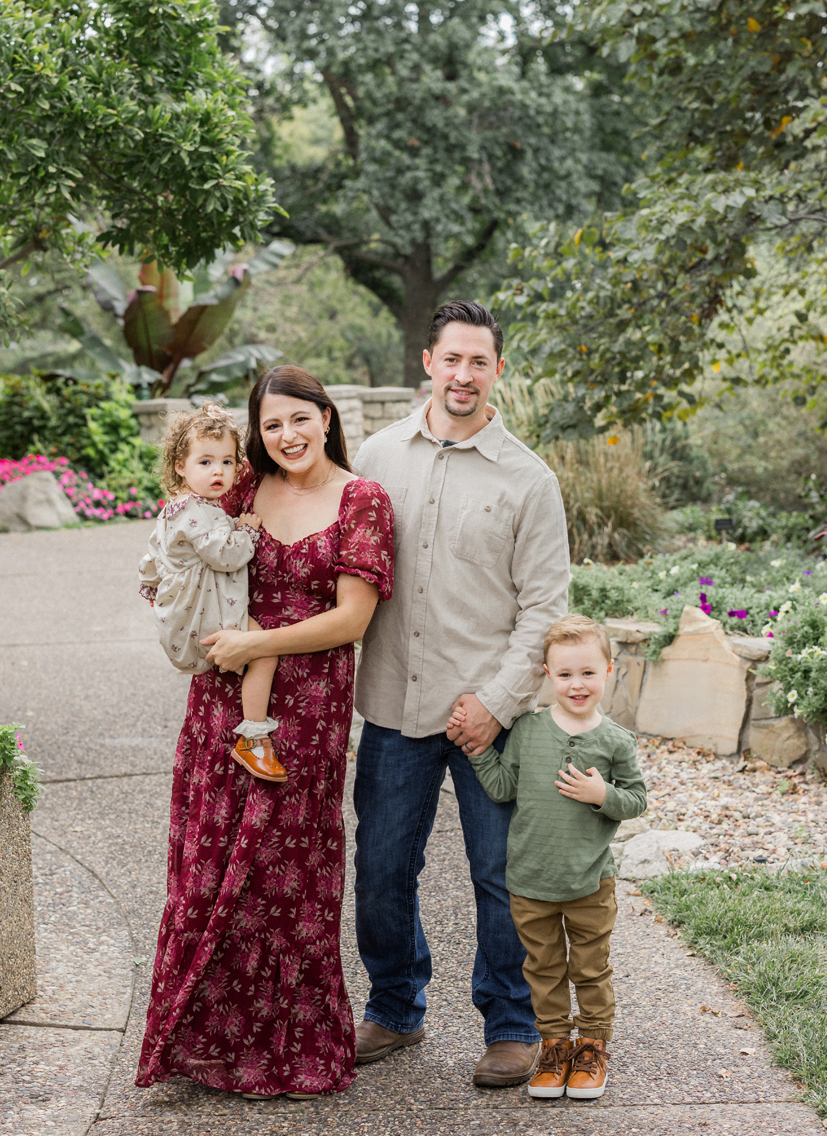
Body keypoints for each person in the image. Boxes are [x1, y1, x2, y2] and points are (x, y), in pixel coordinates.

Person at [135, 366, 394, 1099]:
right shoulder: (243, 487)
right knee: (212, 865)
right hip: (220, 698)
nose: (287, 435)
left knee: (288, 871)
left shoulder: (362, 498)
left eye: (299, 419)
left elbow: (353, 619)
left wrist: (257, 645)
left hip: (306, 710)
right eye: (272, 424)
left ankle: (289, 1049)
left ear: (325, 415)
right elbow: (179, 537)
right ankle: (203, 1043)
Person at [351, 300, 571, 1088]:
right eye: (453, 359)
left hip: (491, 718)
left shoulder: (529, 480)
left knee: (499, 876)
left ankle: (511, 1025)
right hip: (393, 706)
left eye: (480, 362)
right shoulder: (376, 458)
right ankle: (395, 1007)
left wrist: (497, 703)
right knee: (379, 872)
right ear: (427, 362)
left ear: (498, 371)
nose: (465, 375)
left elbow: (545, 608)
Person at [461, 614, 647, 1100]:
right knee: (542, 972)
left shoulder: (615, 741)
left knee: (590, 970)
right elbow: (503, 788)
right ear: (547, 674)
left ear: (609, 669)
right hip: (530, 883)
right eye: (565, 674)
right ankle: (554, 1048)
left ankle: (591, 1049)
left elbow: (636, 800)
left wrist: (601, 793)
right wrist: (478, 750)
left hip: (589, 884)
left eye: (588, 672)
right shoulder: (527, 730)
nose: (577, 684)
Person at [138, 404, 286, 782]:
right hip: (209, 609)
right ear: (180, 466)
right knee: (264, 651)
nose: (218, 471)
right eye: (205, 462)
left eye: (226, 461)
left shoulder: (178, 507)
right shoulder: (199, 513)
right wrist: (247, 532)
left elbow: (153, 555)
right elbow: (225, 554)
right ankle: (253, 738)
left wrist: (153, 586)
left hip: (192, 607)